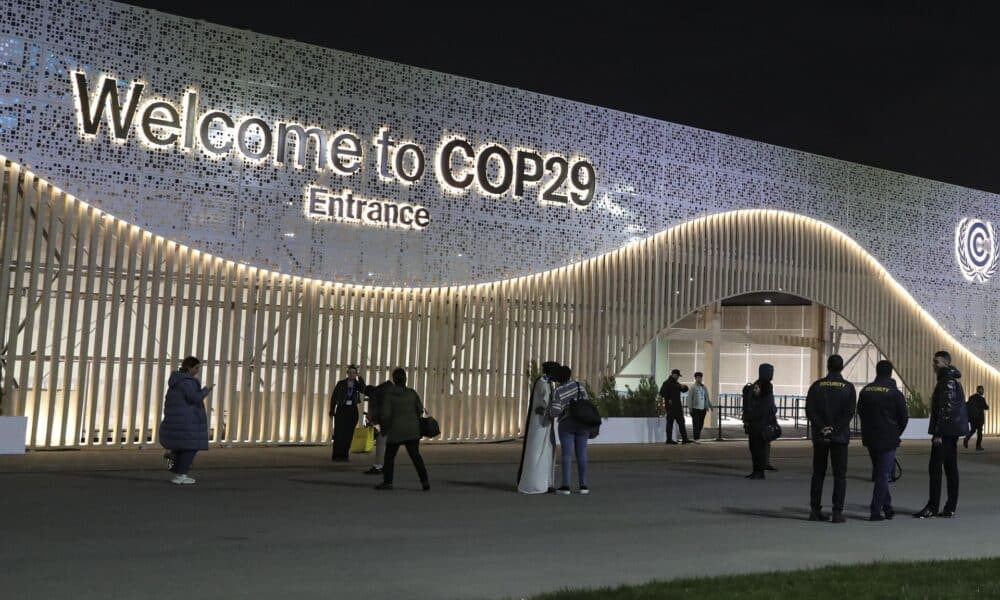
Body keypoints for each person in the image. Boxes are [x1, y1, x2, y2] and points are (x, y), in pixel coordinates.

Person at [914, 351, 969, 518]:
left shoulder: (947, 381)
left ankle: (933, 506)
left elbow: (946, 408)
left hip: (945, 433)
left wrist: (938, 433)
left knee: (935, 468)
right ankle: (950, 507)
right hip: (950, 431)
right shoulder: (951, 380)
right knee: (951, 467)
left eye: (936, 362)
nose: (934, 365)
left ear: (945, 363)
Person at [805, 354, 857, 523]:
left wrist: (822, 428)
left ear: (827, 366)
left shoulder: (816, 386)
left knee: (818, 474)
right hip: (840, 438)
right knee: (840, 476)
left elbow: (810, 410)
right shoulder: (848, 387)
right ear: (842, 367)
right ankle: (837, 512)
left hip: (820, 438)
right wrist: (835, 429)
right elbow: (849, 413)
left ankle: (814, 510)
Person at [857, 360, 908, 521]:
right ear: (891, 373)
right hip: (888, 438)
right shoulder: (895, 393)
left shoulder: (866, 390)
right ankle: (875, 511)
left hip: (870, 437)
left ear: (877, 371)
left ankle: (887, 507)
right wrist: (895, 433)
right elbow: (903, 418)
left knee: (880, 472)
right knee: (883, 475)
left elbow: (860, 412)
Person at [159, 356, 214, 485]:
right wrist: (206, 390)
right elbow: (194, 398)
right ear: (189, 368)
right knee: (190, 448)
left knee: (180, 448)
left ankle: (174, 465)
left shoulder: (176, 382)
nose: (198, 370)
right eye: (196, 368)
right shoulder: (187, 382)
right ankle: (180, 475)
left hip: (177, 419)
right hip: (187, 421)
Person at [375, 367, 430, 491]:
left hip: (395, 431)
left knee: (389, 457)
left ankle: (388, 482)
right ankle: (425, 481)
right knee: (416, 457)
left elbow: (385, 414)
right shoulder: (412, 393)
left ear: (394, 380)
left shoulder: (389, 394)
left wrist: (384, 426)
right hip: (412, 430)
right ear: (405, 379)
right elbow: (420, 409)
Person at [550, 365, 598, 495]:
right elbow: (586, 402)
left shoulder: (558, 391)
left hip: (567, 424)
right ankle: (583, 486)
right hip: (583, 423)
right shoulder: (579, 385)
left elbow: (555, 410)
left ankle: (566, 486)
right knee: (582, 454)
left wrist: (546, 412)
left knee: (567, 454)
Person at [517, 361, 559, 494]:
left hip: (544, 422)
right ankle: (536, 483)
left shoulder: (544, 382)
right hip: (541, 423)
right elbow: (545, 403)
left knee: (545, 452)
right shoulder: (543, 383)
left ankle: (545, 482)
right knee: (538, 452)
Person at [741, 364, 777, 480]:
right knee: (760, 448)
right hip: (761, 422)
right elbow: (769, 405)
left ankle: (756, 471)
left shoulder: (755, 385)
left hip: (753, 421)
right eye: (770, 372)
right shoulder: (767, 386)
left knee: (754, 448)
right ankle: (759, 472)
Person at [329, 365, 365, 462]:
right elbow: (334, 396)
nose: (352, 375)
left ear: (356, 374)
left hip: (352, 410)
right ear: (347, 373)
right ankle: (336, 455)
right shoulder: (341, 383)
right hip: (342, 409)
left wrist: (360, 378)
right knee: (339, 433)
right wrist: (332, 410)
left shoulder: (357, 384)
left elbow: (363, 389)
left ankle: (344, 455)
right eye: (350, 372)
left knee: (348, 434)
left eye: (354, 373)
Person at [363, 379, 394, 475]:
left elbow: (375, 411)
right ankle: (383, 466)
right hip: (396, 421)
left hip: (387, 422)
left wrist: (372, 421)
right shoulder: (387, 391)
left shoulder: (374, 394)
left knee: (381, 442)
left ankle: (378, 466)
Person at [660, 369, 691, 444]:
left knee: (681, 422)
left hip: (677, 407)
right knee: (670, 423)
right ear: (674, 374)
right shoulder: (666, 383)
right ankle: (669, 439)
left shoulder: (677, 383)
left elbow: (685, 390)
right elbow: (662, 393)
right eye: (677, 376)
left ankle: (685, 439)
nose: (678, 377)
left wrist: (684, 387)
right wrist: (668, 398)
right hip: (670, 407)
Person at [688, 372, 713, 441]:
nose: (699, 379)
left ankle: (697, 436)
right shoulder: (693, 387)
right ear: (695, 378)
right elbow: (690, 398)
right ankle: (696, 438)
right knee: (696, 424)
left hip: (703, 408)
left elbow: (707, 397)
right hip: (695, 408)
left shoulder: (704, 387)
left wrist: (710, 406)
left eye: (700, 377)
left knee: (701, 424)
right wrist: (690, 409)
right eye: (698, 377)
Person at [964, 385, 988, 451]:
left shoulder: (971, 397)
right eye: (982, 390)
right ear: (979, 390)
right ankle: (978, 446)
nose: (983, 391)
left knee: (973, 430)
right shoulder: (982, 399)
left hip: (972, 418)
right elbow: (986, 407)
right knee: (979, 432)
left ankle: (967, 438)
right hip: (979, 418)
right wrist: (987, 406)